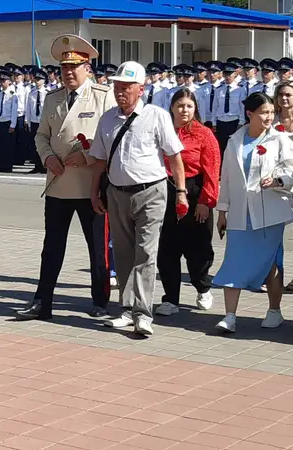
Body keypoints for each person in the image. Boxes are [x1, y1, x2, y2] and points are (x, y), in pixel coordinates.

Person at [16, 34, 116, 321]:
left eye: (75, 67)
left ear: (87, 68)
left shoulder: (102, 96)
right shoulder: (53, 98)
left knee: (97, 248)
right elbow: (41, 135)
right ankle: (42, 301)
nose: (69, 73)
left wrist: (86, 157)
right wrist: (47, 157)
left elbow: (109, 137)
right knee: (52, 247)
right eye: (63, 68)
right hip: (59, 183)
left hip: (91, 185)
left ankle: (100, 300)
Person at [90, 61, 188, 337]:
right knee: (122, 254)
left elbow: (174, 156)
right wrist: (93, 192)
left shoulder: (156, 115)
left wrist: (180, 191)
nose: (120, 92)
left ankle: (143, 314)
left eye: (126, 88)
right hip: (117, 193)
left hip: (151, 192)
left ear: (141, 89)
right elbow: (98, 160)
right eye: (117, 87)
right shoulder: (107, 118)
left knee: (145, 253)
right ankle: (126, 309)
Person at [212, 92, 293, 333]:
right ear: (249, 114)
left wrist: (279, 180)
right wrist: (222, 210)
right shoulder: (235, 140)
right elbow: (226, 178)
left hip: (269, 212)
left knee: (270, 263)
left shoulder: (280, 139)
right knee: (233, 261)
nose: (269, 117)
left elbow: (291, 169)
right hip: (240, 211)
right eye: (263, 113)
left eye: (271, 112)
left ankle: (274, 310)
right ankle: (229, 316)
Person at [156, 88, 221, 316]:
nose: (185, 110)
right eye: (180, 105)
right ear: (172, 107)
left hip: (195, 192)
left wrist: (206, 201)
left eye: (189, 106)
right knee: (167, 250)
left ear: (195, 109)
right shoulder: (163, 131)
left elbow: (212, 170)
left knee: (198, 248)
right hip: (166, 190)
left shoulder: (203, 134)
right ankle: (170, 298)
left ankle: (202, 287)